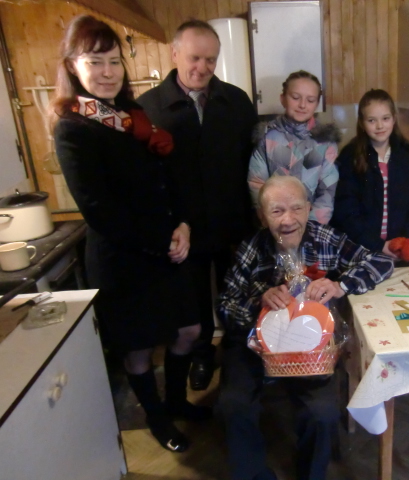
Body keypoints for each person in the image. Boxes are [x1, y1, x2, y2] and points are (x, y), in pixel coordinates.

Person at [52, 15, 210, 453]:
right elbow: (100, 211)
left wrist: (183, 224)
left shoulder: (130, 117)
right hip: (123, 258)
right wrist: (163, 242)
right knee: (138, 348)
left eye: (114, 61)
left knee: (189, 329)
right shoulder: (73, 128)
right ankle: (157, 420)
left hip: (165, 246)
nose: (107, 72)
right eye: (95, 62)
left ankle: (176, 402)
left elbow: (166, 180)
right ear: (73, 67)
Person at [216, 175, 393, 480]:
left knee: (322, 413)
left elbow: (381, 262)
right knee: (232, 405)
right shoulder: (252, 248)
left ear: (309, 208)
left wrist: (340, 285)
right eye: (276, 211)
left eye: (296, 208)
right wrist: (259, 303)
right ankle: (256, 475)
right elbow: (225, 304)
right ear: (262, 216)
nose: (288, 220)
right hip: (253, 345)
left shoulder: (325, 238)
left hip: (311, 349)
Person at [138, 20, 258, 391]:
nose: (202, 68)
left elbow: (251, 163)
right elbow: (146, 177)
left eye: (210, 60)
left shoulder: (236, 101)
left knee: (236, 296)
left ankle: (238, 357)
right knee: (193, 306)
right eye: (194, 58)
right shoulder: (149, 108)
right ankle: (203, 356)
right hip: (182, 227)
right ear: (174, 53)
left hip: (231, 223)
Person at [331, 89, 409, 264]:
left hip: (401, 250)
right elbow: (346, 211)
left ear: (394, 119)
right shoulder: (350, 157)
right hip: (361, 251)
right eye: (371, 120)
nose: (380, 126)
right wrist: (379, 245)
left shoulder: (407, 155)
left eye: (385, 118)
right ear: (362, 123)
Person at [248, 70, 340, 225]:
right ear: (283, 99)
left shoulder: (325, 142)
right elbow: (257, 184)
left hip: (311, 227)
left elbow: (327, 192)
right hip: (274, 226)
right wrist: (272, 222)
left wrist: (311, 228)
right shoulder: (267, 137)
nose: (302, 105)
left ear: (317, 104)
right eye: (295, 98)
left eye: (310, 100)